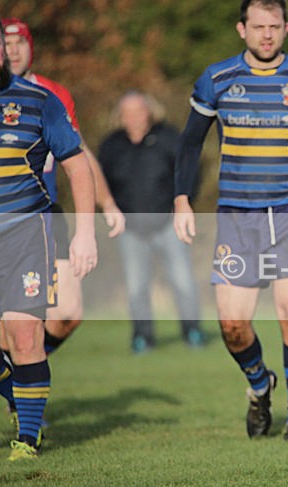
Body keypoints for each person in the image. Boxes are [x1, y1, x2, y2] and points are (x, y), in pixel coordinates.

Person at [174, 0, 288, 441]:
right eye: (258, 27)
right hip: (236, 218)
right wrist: (182, 199)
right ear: (242, 29)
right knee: (233, 327)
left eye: (275, 27)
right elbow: (189, 144)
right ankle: (260, 384)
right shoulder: (217, 79)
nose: (267, 35)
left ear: (287, 28)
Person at [0, 6, 97, 460]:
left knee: (25, 336)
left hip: (26, 236)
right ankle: (20, 402)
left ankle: (29, 439)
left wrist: (84, 233)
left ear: (6, 46)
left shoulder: (39, 101)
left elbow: (77, 164)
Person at [1, 18, 125, 356]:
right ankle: (21, 385)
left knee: (68, 313)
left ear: (31, 47)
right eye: (6, 44)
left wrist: (108, 203)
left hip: (47, 216)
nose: (13, 52)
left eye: (20, 44)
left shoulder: (53, 94)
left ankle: (22, 375)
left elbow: (78, 155)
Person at [99, 91, 207, 353]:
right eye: (128, 112)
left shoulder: (169, 137)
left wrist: (184, 202)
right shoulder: (111, 146)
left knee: (183, 281)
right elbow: (97, 181)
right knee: (136, 286)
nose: (135, 117)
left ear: (150, 111)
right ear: (120, 117)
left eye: (139, 110)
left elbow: (191, 168)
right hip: (130, 228)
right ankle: (142, 337)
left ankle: (192, 332)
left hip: (168, 223)